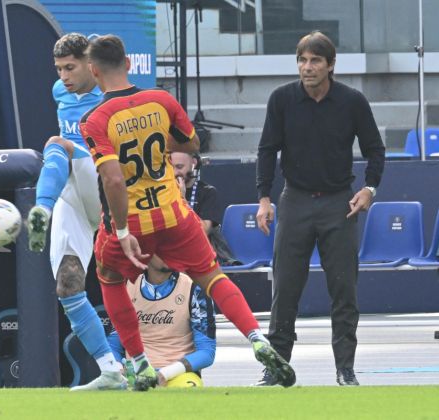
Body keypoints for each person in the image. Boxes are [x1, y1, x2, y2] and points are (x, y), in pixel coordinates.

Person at [81, 34, 295, 391]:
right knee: (212, 277)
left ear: (93, 71)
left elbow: (114, 180)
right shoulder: (162, 100)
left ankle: (139, 362)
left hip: (132, 220)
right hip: (173, 213)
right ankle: (257, 337)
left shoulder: (95, 118)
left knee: (109, 277)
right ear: (129, 64)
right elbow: (193, 144)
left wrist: (120, 232)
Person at [255, 31, 385, 387]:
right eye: (302, 60)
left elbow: (376, 149)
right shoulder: (281, 99)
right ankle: (277, 367)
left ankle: (345, 368)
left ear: (331, 65)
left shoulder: (352, 101)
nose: (307, 67)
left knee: (344, 290)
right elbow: (267, 150)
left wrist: (369, 189)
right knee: (285, 288)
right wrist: (264, 198)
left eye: (315, 61)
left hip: (338, 203)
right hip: (294, 200)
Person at [26, 33, 126, 391]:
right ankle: (110, 370)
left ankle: (41, 207)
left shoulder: (111, 97)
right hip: (73, 196)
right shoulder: (59, 92)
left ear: (91, 65)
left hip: (104, 188)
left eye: (71, 67)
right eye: (59, 69)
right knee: (67, 285)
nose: (64, 76)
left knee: (58, 144)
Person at [107, 257, 215, 387]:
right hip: (135, 374)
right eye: (160, 247)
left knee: (189, 391)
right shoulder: (125, 286)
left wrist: (167, 373)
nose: (167, 252)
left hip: (179, 375)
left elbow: (207, 352)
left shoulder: (195, 289)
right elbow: (113, 344)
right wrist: (117, 367)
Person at [170, 151, 239, 265]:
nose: (175, 173)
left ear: (193, 163)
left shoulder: (207, 192)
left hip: (200, 253)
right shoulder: (165, 193)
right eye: (171, 167)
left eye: (179, 167)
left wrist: (182, 200)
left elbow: (203, 231)